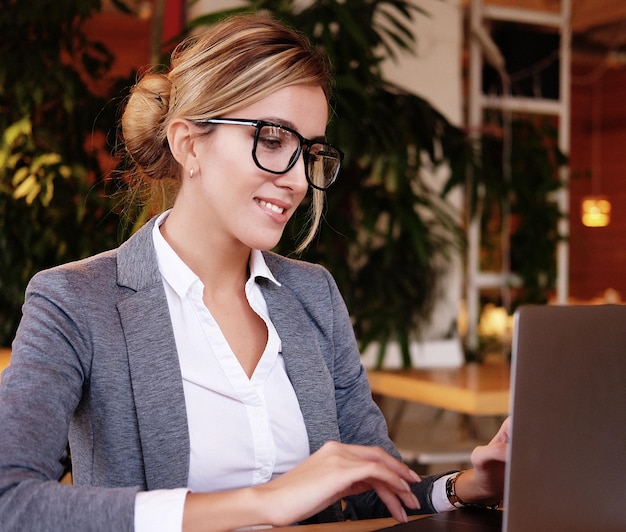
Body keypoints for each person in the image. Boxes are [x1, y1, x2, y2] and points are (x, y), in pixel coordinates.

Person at [0, 13, 509, 532]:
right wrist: (263, 502)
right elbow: (10, 500)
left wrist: (468, 486)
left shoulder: (313, 295)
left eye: (308, 152)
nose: (296, 180)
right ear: (188, 143)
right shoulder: (75, 301)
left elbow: (371, 493)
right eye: (271, 140)